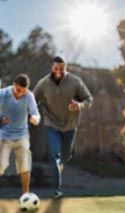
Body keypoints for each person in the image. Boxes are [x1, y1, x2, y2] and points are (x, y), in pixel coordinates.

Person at [0, 74, 41, 207]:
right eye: (18, 90)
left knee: (25, 166)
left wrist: (35, 118)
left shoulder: (28, 96)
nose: (20, 94)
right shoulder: (3, 94)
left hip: (22, 135)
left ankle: (25, 196)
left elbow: (35, 113)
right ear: (14, 86)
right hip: (4, 136)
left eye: (23, 91)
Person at [32, 56, 93, 198]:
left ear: (66, 68)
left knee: (65, 155)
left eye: (62, 69)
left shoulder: (75, 81)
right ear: (52, 68)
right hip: (51, 124)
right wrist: (32, 113)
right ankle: (57, 190)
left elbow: (88, 99)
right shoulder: (43, 83)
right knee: (54, 154)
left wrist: (79, 105)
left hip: (70, 126)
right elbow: (32, 100)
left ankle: (63, 159)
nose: (58, 71)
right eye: (56, 69)